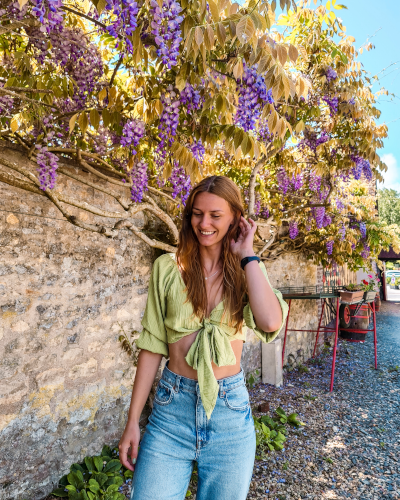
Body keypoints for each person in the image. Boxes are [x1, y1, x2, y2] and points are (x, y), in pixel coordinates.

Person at [119, 175, 288, 500]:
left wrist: (248, 254)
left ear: (236, 220)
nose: (204, 223)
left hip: (229, 412)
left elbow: (269, 321)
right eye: (197, 213)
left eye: (215, 215)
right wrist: (132, 421)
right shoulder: (167, 269)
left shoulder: (247, 271)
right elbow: (153, 345)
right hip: (171, 411)